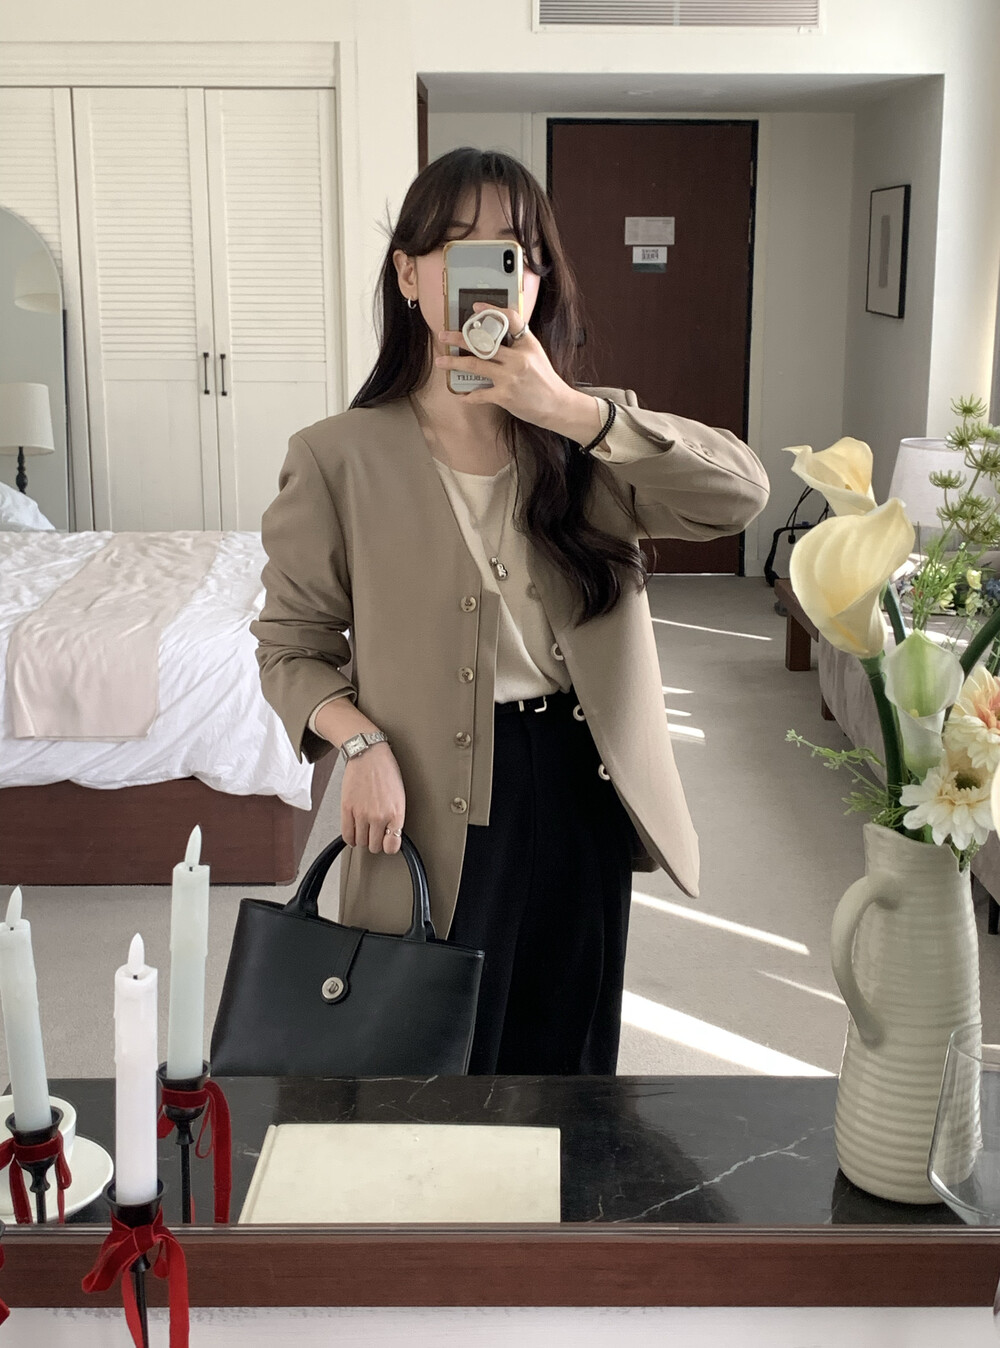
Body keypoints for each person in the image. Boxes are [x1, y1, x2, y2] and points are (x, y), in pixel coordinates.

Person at [251, 147, 770, 1075]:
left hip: (581, 778)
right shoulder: (337, 456)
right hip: (427, 787)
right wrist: (358, 745)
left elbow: (741, 495)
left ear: (537, 284)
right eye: (459, 246)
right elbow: (290, 647)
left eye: (516, 254)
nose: (492, 274)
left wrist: (573, 413)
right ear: (409, 275)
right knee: (429, 1057)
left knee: (567, 1058)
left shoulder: (594, 431)